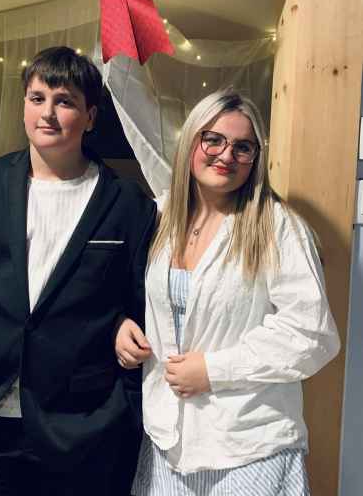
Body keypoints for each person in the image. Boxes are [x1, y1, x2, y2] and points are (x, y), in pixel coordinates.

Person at [0, 46, 156, 496]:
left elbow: (135, 304)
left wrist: (121, 335)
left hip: (78, 433)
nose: (47, 113)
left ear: (90, 116)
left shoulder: (129, 205)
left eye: (64, 101)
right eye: (37, 98)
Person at [115, 89, 340, 495]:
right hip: (168, 440)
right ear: (191, 142)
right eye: (213, 140)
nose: (226, 155)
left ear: (255, 158)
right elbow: (124, 290)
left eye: (243, 147)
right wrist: (120, 325)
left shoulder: (278, 227)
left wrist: (215, 371)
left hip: (248, 443)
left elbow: (313, 334)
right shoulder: (159, 218)